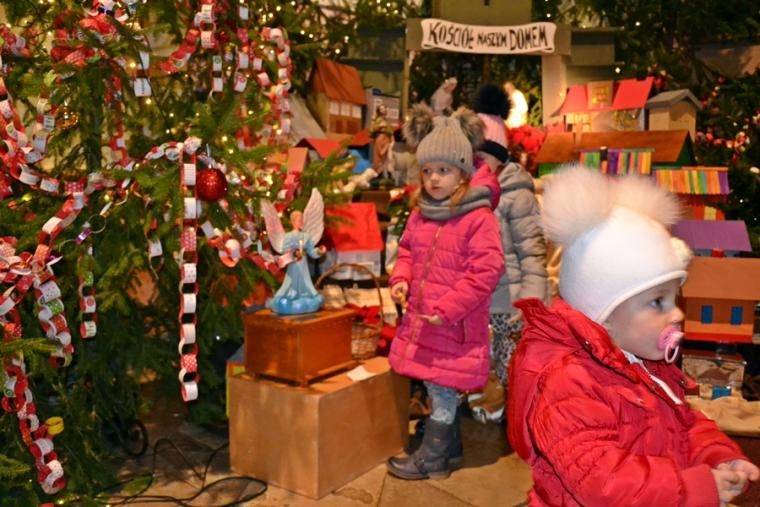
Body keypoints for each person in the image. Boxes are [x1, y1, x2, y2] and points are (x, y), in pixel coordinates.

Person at [508, 166, 759, 506]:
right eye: (657, 302)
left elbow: (683, 424)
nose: (677, 314)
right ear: (605, 316)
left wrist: (717, 455)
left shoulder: (644, 363)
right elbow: (602, 482)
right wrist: (693, 488)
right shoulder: (568, 382)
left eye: (673, 299)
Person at [385, 103, 505, 481]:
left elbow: (486, 270)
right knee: (434, 381)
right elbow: (407, 251)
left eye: (444, 170)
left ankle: (433, 459)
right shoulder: (422, 213)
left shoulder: (478, 217)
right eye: (427, 171)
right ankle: (449, 445)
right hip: (424, 320)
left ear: (463, 173)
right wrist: (401, 279)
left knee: (442, 388)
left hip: (454, 323)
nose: (434, 178)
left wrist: (448, 308)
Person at [469, 83, 548, 423]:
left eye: (482, 157)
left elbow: (532, 252)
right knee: (481, 358)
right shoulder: (470, 193)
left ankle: (517, 416)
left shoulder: (517, 194)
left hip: (511, 301)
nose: (476, 165)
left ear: (499, 157)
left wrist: (532, 299)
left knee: (511, 360)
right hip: (479, 299)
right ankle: (487, 404)